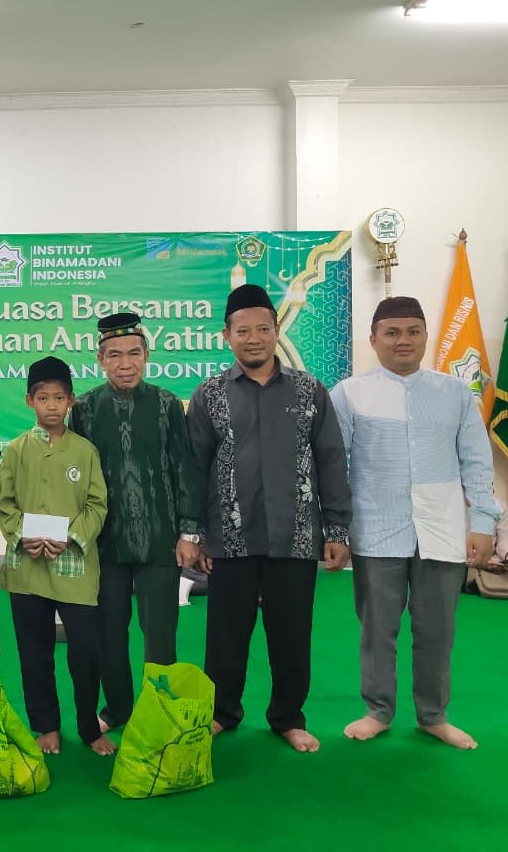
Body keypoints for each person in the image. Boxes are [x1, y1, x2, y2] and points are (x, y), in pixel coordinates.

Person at [186, 284, 351, 753]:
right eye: (243, 331)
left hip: (294, 535)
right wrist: (194, 533)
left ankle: (287, 717)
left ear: (276, 331)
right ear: (227, 336)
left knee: (292, 635)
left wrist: (337, 529)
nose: (253, 338)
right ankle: (222, 712)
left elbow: (331, 459)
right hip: (230, 538)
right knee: (225, 637)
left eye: (263, 329)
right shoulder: (210, 395)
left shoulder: (309, 390)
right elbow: (193, 467)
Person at [330, 296, 496, 750]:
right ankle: (378, 712)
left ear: (425, 336)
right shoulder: (349, 393)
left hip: (441, 529)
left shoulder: (455, 393)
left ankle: (433, 716)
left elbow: (477, 460)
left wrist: (483, 521)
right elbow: (331, 465)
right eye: (392, 333)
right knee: (377, 630)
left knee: (437, 631)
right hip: (376, 529)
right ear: (373, 340)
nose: (403, 341)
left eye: (412, 332)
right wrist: (335, 530)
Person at [70, 313, 203, 734]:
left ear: (146, 355)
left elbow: (183, 469)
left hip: (160, 540)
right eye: (114, 355)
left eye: (133, 353)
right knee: (109, 633)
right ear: (100, 359)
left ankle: (159, 707)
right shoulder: (84, 409)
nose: (125, 364)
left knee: (160, 632)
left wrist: (188, 533)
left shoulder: (167, 405)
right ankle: (118, 709)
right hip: (104, 543)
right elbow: (77, 478)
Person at [0, 357, 111, 756]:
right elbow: (5, 506)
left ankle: (89, 729)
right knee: (34, 652)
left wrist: (72, 537)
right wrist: (21, 536)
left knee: (85, 654)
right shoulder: (15, 451)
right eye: (42, 397)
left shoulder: (85, 451)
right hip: (27, 569)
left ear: (71, 401)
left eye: (58, 398)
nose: (51, 406)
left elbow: (97, 504)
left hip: (75, 567)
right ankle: (46, 727)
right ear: (29, 401)